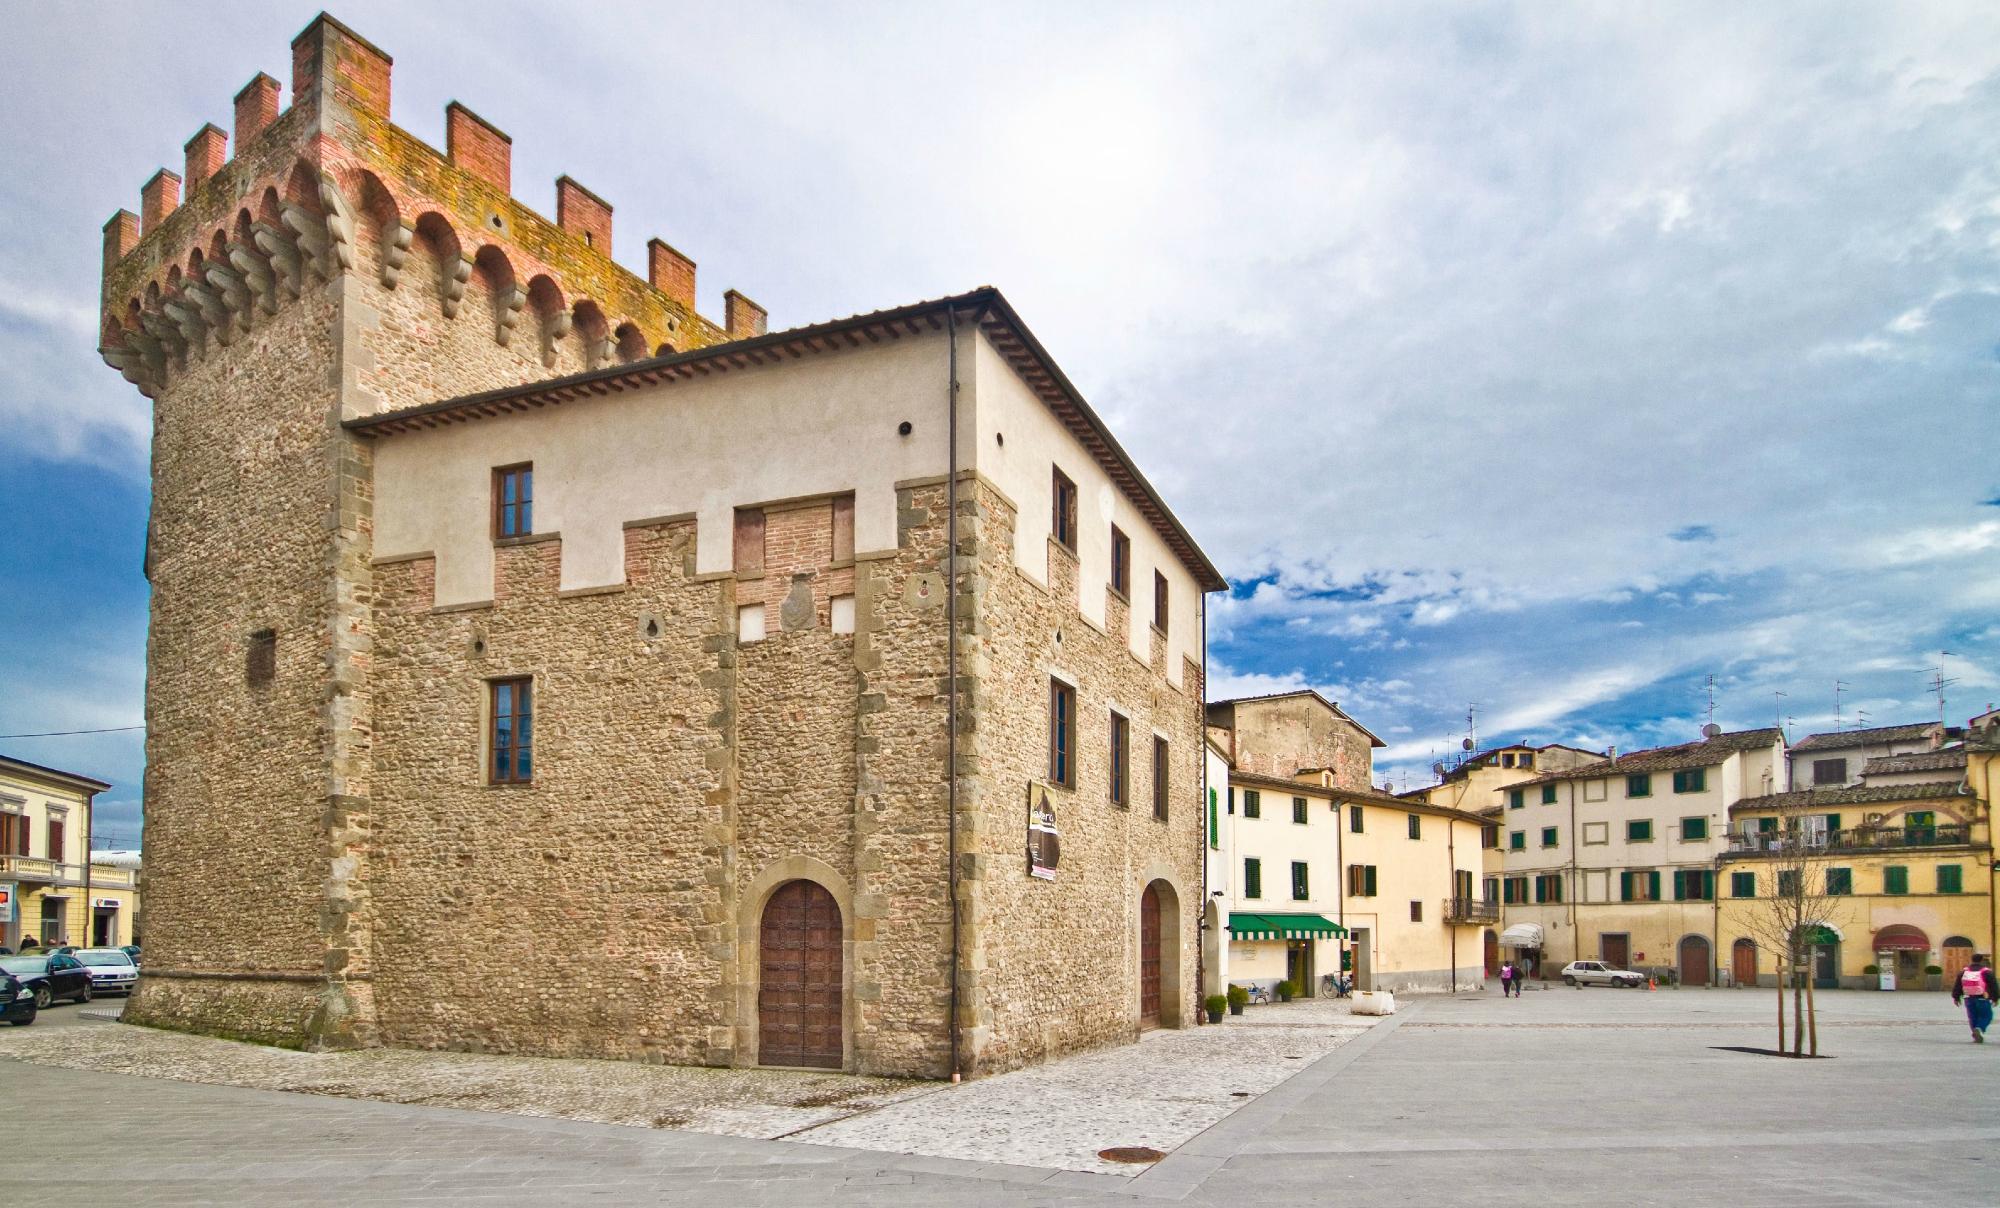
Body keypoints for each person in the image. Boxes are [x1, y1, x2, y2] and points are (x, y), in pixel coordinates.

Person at [1952, 954, 1998, 1043]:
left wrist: (1956, 997)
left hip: (1968, 998)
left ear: (1972, 960)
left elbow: (1958, 985)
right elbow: (1993, 986)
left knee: (1972, 1017)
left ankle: (1975, 1033)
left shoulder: (1964, 971)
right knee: (1987, 1016)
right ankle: (1979, 1028)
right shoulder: (1986, 972)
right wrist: (1995, 998)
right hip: (1983, 998)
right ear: (1981, 960)